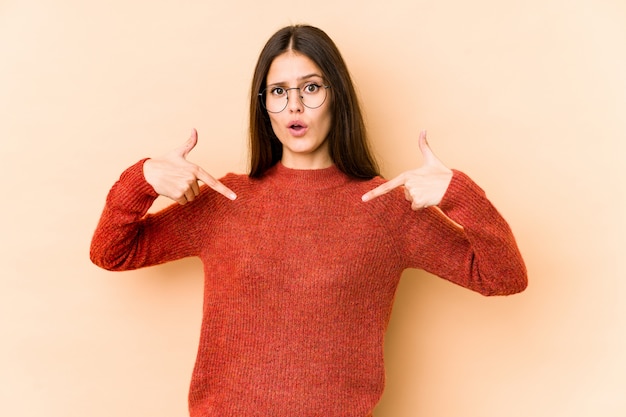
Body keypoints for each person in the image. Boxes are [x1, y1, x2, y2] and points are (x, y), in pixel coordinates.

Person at [90, 24, 527, 417]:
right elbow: (111, 252)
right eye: (278, 92)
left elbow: (503, 277)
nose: (294, 105)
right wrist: (142, 178)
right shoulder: (226, 200)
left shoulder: (386, 207)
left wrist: (458, 194)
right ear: (264, 106)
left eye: (311, 87)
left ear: (337, 95)